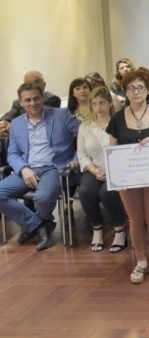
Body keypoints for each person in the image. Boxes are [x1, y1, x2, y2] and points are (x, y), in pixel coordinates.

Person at [107, 68, 149, 283]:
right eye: (131, 88)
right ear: (125, 91)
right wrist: (116, 177)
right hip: (128, 178)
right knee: (134, 219)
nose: (136, 92)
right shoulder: (117, 118)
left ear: (148, 90)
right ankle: (141, 261)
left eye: (140, 87)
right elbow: (112, 149)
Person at [0, 81, 79, 251]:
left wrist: (76, 158)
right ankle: (39, 225)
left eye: (36, 98)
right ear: (21, 102)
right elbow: (12, 153)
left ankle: (34, 226)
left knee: (42, 198)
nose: (32, 103)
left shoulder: (61, 115)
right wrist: (24, 169)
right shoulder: (17, 123)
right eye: (27, 100)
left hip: (54, 167)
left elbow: (84, 136)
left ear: (42, 98)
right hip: (27, 169)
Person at [76, 86, 127, 253]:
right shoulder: (85, 126)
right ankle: (97, 229)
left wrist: (110, 170)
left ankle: (120, 230)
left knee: (107, 192)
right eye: (95, 104)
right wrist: (94, 170)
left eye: (102, 103)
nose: (98, 107)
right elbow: (82, 154)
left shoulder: (119, 123)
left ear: (109, 103)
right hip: (93, 169)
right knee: (86, 191)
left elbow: (123, 151)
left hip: (116, 168)